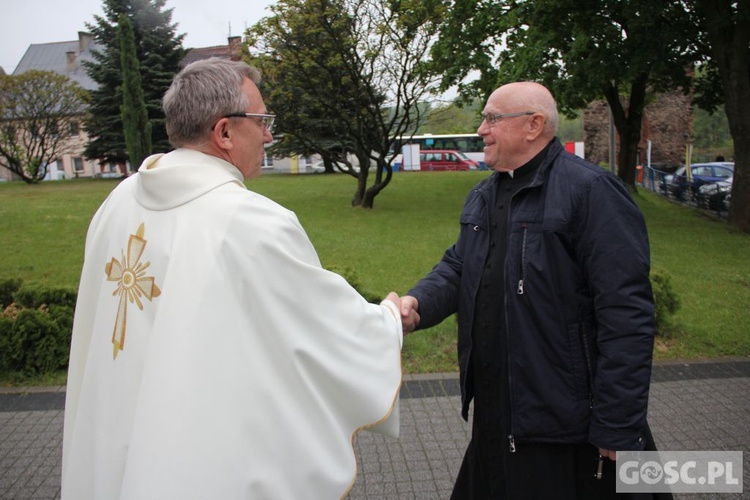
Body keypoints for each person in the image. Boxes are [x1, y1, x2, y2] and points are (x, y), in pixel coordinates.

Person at [61, 58, 404, 499]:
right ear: (224, 132)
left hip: (115, 429)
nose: (269, 135)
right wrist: (389, 319)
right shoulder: (251, 221)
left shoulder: (121, 197)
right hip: (197, 453)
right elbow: (320, 326)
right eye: (262, 121)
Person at [399, 82, 668, 499]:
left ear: (533, 125)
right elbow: (458, 266)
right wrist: (417, 303)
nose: (481, 129)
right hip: (498, 416)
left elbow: (627, 315)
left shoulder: (591, 192)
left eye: (491, 118)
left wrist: (618, 426)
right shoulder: (485, 194)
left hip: (566, 428)